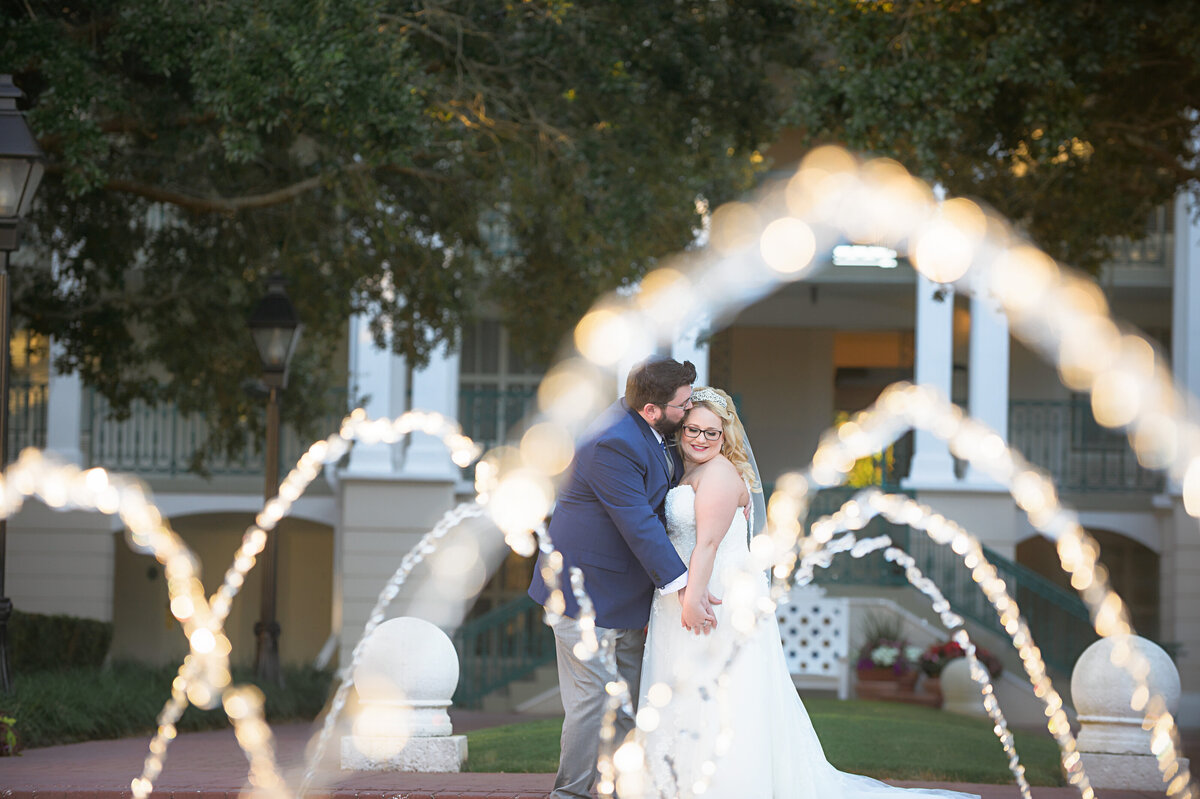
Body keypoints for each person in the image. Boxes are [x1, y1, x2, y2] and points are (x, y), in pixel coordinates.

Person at [639, 386, 979, 799]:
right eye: (694, 430)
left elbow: (707, 543)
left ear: (726, 435)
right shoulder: (688, 472)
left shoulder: (720, 474)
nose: (701, 439)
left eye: (712, 433)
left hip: (713, 597)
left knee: (719, 693)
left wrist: (692, 598)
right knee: (685, 689)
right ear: (682, 428)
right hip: (689, 594)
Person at [528, 357, 720, 799]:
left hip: (629, 593)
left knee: (628, 705)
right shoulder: (611, 443)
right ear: (652, 409)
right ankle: (569, 794)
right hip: (583, 592)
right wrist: (684, 587)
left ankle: (616, 791)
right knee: (593, 702)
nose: (689, 412)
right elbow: (638, 522)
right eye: (682, 405)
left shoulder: (650, 428)